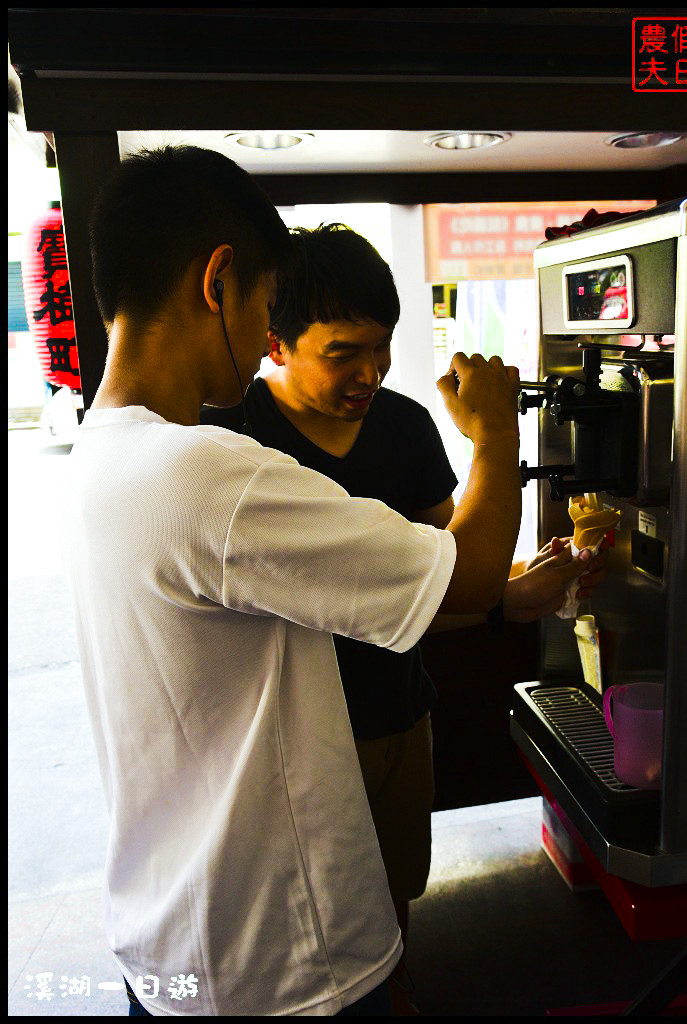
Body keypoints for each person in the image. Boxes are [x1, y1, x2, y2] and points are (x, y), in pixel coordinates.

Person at [61, 144, 599, 1017]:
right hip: (278, 960)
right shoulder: (208, 474)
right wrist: (496, 433)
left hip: (174, 938)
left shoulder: (104, 452)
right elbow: (458, 579)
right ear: (219, 282)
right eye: (270, 304)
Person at [201, 224, 608, 1013]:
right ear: (276, 343)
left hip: (398, 715)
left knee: (389, 899)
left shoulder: (405, 427)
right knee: (308, 919)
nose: (371, 371)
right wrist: (496, 438)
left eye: (381, 347)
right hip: (294, 743)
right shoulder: (238, 443)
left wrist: (510, 600)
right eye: (344, 351)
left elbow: (444, 586)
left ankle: (393, 985)